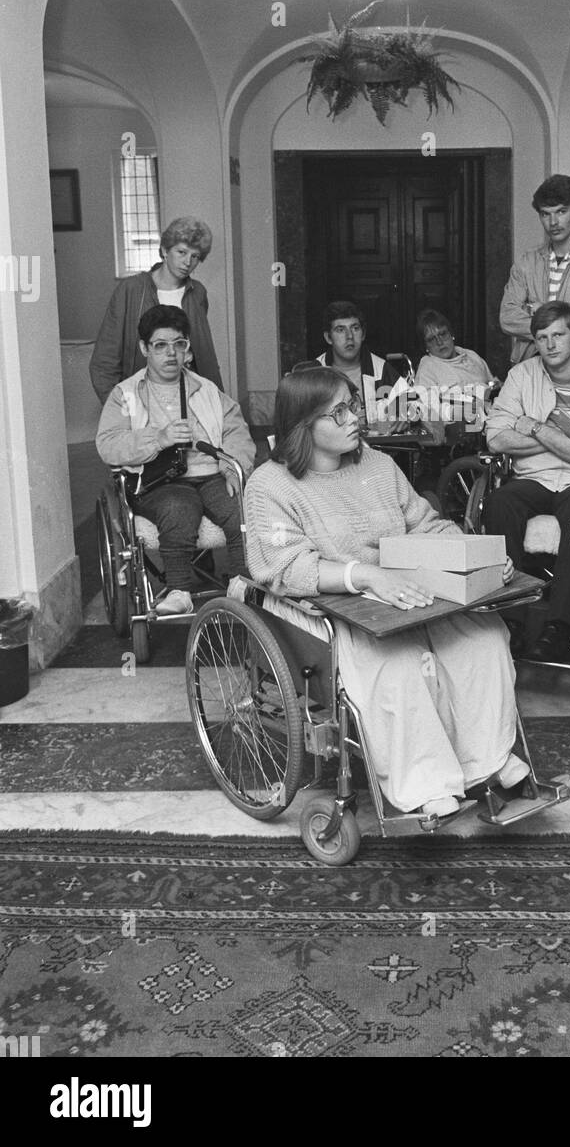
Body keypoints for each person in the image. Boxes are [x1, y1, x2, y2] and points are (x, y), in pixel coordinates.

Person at [242, 366, 528, 817]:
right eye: (337, 413)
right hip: (330, 606)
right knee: (403, 665)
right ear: (304, 426)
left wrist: (476, 557)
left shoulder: (377, 465)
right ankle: (425, 782)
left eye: (353, 404)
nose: (354, 417)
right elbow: (284, 567)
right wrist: (367, 576)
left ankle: (484, 762)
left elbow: (423, 523)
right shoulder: (269, 486)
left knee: (483, 639)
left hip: (406, 591)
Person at [483, 301, 570, 662]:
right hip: (534, 478)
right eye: (542, 337)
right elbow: (496, 438)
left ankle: (561, 627)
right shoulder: (521, 377)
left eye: (558, 334)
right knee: (501, 502)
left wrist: (531, 426)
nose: (551, 344)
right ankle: (509, 619)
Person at [96, 305, 255, 615]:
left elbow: (237, 431)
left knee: (239, 508)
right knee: (179, 507)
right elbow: (108, 445)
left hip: (210, 475)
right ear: (144, 348)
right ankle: (180, 589)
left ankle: (242, 584)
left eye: (179, 344)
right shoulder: (125, 394)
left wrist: (233, 467)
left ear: (187, 348)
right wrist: (159, 438)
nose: (171, 353)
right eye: (160, 345)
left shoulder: (206, 390)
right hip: (158, 481)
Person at [90, 217, 222, 404]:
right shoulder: (131, 290)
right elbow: (104, 361)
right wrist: (122, 406)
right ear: (164, 251)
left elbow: (201, 351)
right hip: (141, 397)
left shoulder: (197, 292)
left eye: (195, 257)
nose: (187, 262)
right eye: (181, 252)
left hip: (189, 395)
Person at [499, 174, 570, 370]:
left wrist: (536, 309)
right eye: (545, 214)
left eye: (561, 211)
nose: (553, 221)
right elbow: (508, 317)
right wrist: (561, 320)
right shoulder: (527, 261)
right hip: (531, 369)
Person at [315, 300, 408, 427]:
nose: (349, 336)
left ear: (363, 334)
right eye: (340, 329)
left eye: (355, 328)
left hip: (376, 445)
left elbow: (413, 403)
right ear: (328, 338)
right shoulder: (315, 371)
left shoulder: (381, 369)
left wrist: (404, 417)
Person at [414, 307, 500, 430]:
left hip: (491, 421)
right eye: (431, 339)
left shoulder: (471, 356)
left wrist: (495, 386)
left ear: (451, 334)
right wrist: (459, 411)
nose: (439, 342)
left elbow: (491, 385)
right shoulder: (427, 368)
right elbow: (429, 412)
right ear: (425, 346)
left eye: (442, 334)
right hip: (460, 431)